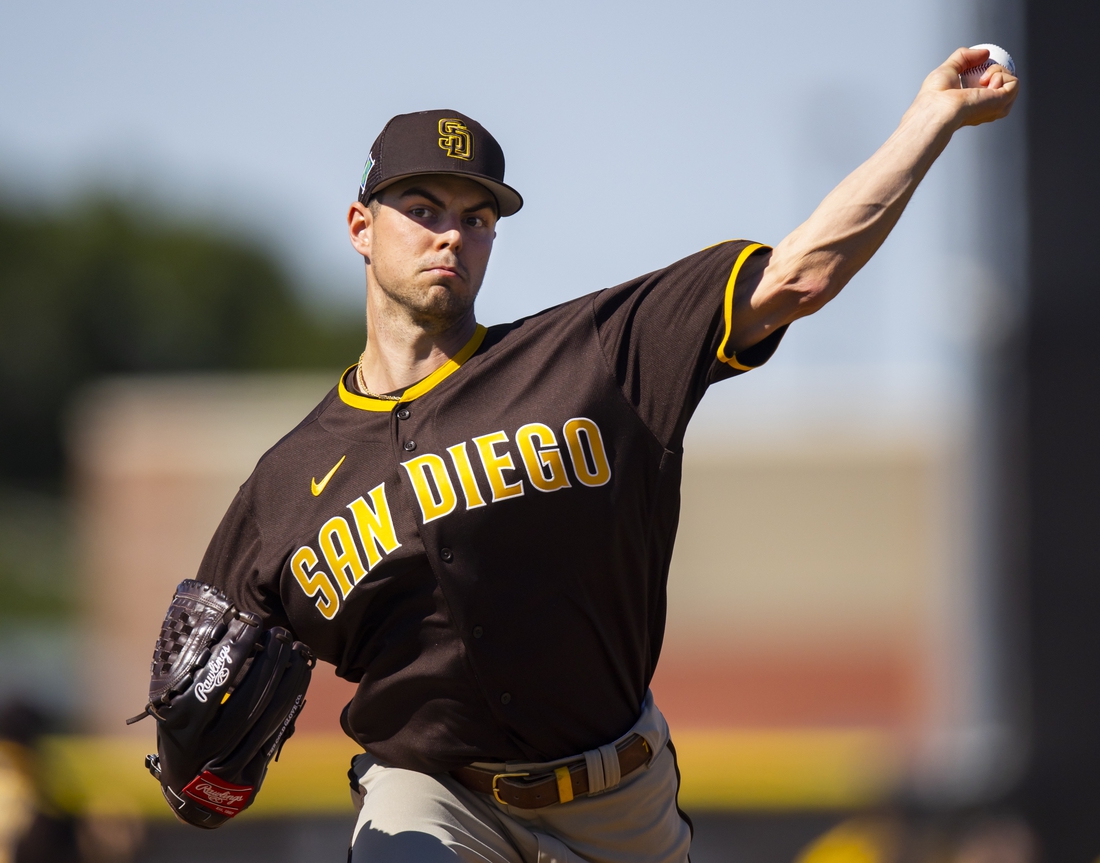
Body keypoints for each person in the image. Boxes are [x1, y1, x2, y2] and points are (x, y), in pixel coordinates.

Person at [198, 47, 1016, 862]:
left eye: (476, 219)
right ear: (360, 227)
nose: (451, 235)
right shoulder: (284, 485)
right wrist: (192, 770)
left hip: (618, 804)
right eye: (423, 208)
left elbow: (799, 275)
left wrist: (931, 119)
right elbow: (198, 718)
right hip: (431, 795)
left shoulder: (594, 356)